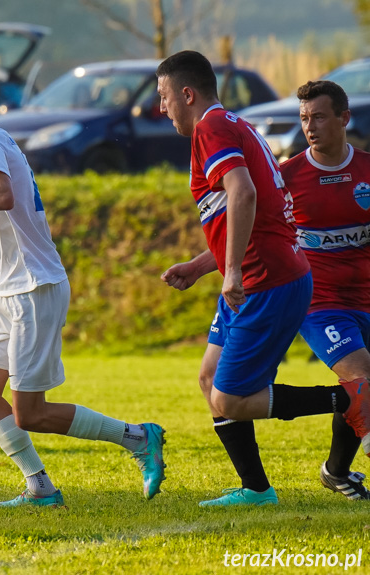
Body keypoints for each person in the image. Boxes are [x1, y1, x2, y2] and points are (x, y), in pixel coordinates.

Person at [0, 57, 166, 508]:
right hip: (15, 287)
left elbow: (1, 195)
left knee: (31, 413)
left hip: (34, 291)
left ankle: (139, 438)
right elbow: (20, 234)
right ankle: (40, 488)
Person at [156, 50, 370, 507]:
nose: (161, 108)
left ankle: (346, 403)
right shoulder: (237, 125)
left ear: (186, 94)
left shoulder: (213, 128)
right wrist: (201, 266)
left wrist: (232, 270)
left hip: (264, 278)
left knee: (231, 399)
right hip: (272, 276)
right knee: (210, 378)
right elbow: (261, 211)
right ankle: (256, 489)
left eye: (164, 96)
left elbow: (243, 192)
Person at [280, 80, 370, 500]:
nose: (309, 127)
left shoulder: (368, 171)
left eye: (318, 117)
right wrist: (202, 266)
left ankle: (336, 471)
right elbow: (251, 232)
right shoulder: (287, 177)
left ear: (344, 118)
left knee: (361, 389)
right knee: (364, 379)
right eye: (304, 119)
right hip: (321, 304)